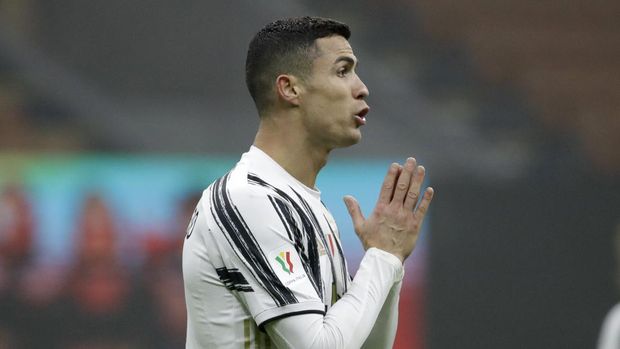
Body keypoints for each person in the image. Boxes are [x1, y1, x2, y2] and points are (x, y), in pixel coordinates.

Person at [182, 16, 434, 349]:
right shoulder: (248, 199)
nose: (362, 88)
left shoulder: (308, 207)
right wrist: (381, 258)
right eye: (342, 71)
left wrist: (389, 262)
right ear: (289, 88)